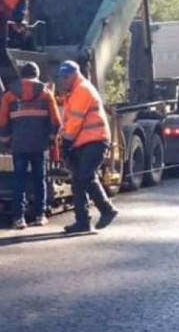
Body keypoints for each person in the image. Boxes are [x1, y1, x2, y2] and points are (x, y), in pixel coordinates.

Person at [0, 62, 61, 229]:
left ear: (21, 75)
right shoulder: (46, 93)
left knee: (19, 181)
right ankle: (40, 215)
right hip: (39, 145)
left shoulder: (9, 95)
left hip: (18, 145)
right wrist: (50, 139)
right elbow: (56, 121)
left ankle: (19, 218)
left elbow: (2, 122)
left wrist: (7, 142)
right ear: (37, 74)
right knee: (40, 179)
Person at [57, 60, 118, 233]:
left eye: (66, 77)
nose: (63, 81)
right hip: (84, 142)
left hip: (94, 141)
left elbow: (75, 122)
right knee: (79, 180)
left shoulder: (82, 90)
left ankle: (107, 209)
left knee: (84, 177)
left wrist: (66, 144)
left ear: (74, 75)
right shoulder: (74, 92)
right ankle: (82, 221)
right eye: (61, 77)